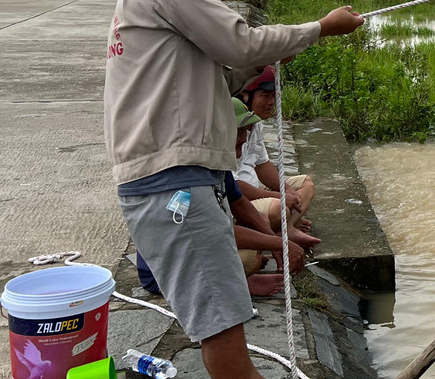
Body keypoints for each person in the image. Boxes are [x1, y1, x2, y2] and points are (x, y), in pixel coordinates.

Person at [105, 0, 363, 379]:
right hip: (170, 177)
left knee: (220, 290)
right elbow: (240, 43)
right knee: (219, 307)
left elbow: (223, 71)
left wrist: (279, 52)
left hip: (178, 170)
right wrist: (320, 28)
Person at [137, 100, 320, 299]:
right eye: (238, 133)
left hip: (199, 249)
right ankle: (241, 283)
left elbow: (240, 204)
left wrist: (275, 241)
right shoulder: (187, 176)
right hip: (169, 272)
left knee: (257, 245)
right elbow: (219, 230)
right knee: (251, 258)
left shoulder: (217, 167)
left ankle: (238, 279)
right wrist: (280, 244)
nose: (244, 139)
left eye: (245, 132)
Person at [235, 67, 315, 230]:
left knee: (306, 185)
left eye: (274, 96)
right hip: (239, 201)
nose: (272, 102)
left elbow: (262, 165)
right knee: (279, 208)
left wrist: (286, 190)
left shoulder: (256, 123)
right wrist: (278, 196)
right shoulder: (230, 125)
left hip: (256, 191)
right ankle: (283, 229)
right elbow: (232, 185)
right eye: (265, 96)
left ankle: (288, 229)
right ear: (245, 96)